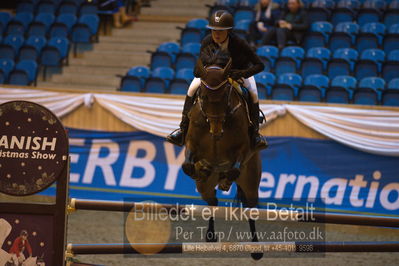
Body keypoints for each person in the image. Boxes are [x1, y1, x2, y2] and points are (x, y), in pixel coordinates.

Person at [167, 10, 268, 150]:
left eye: (221, 31)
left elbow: (260, 65)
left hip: (238, 74)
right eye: (214, 30)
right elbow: (199, 66)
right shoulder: (207, 41)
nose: (216, 34)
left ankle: (255, 134)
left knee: (253, 94)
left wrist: (242, 73)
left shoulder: (239, 43)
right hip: (212, 77)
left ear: (229, 31)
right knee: (191, 89)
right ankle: (182, 129)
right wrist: (201, 71)